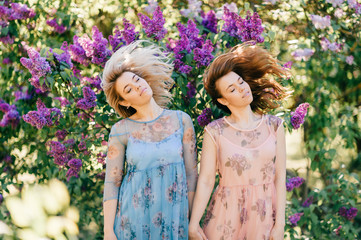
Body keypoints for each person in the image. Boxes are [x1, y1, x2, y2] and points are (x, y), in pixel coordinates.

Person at [189, 42, 290, 240]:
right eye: (232, 89)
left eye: (240, 82)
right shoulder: (214, 131)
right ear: (223, 100)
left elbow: (280, 178)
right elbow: (207, 180)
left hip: (264, 218)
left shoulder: (275, 126)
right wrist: (193, 225)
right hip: (224, 217)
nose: (242, 89)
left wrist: (280, 224)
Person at [101, 40, 198, 240]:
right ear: (124, 101)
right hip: (132, 222)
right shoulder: (120, 130)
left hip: (175, 221)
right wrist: (108, 231)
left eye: (137, 80)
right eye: (128, 90)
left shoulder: (181, 120)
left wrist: (189, 220)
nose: (137, 87)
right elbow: (112, 182)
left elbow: (191, 177)